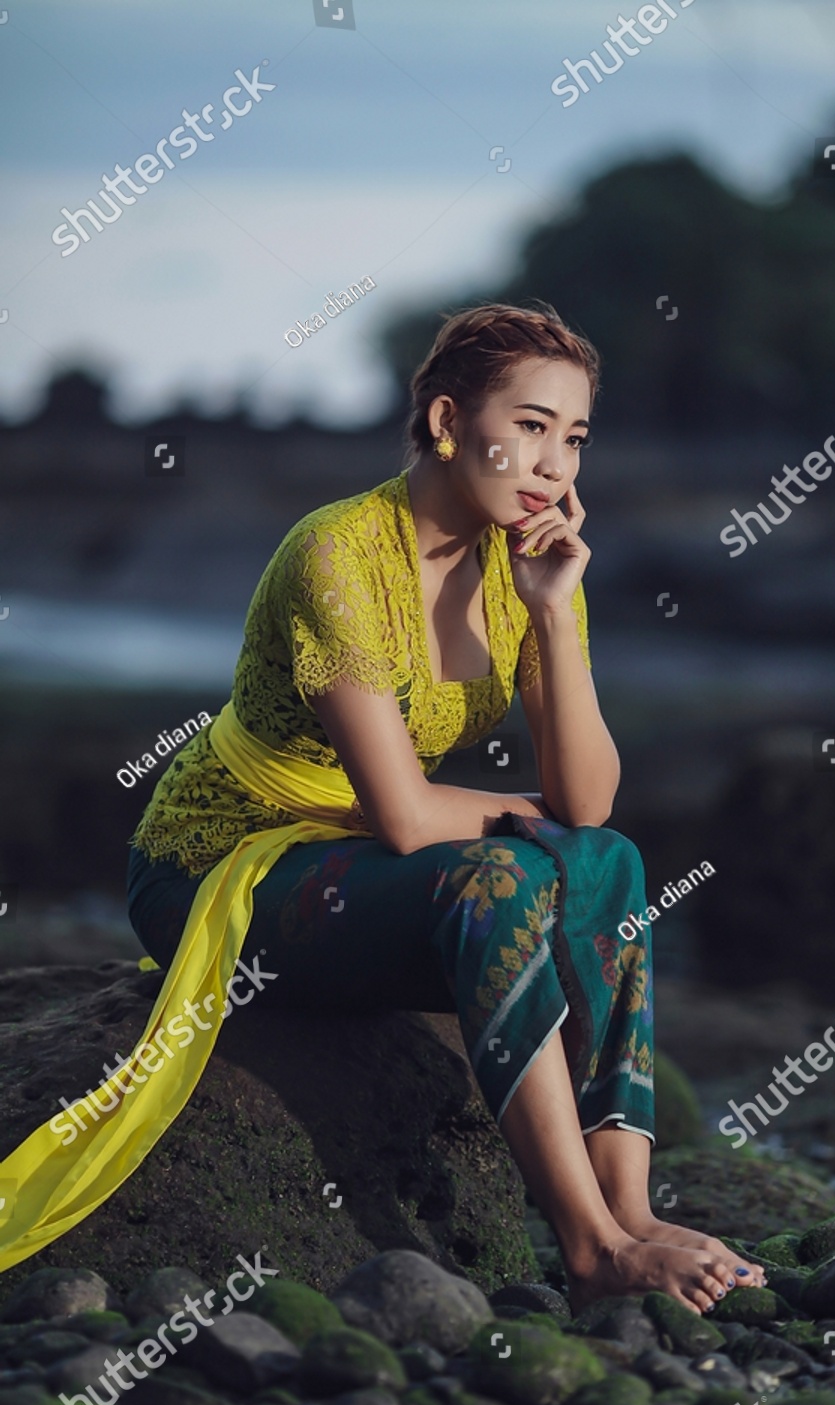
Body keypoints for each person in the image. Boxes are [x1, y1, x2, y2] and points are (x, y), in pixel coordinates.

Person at [0, 302, 764, 1309]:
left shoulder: (529, 562)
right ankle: (587, 1247)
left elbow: (586, 803)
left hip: (367, 866)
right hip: (228, 860)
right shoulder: (336, 555)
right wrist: (521, 815)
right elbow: (404, 818)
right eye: (529, 425)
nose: (554, 465)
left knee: (608, 861)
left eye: (573, 437)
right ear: (447, 423)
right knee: (502, 878)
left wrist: (551, 613)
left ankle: (628, 1208)